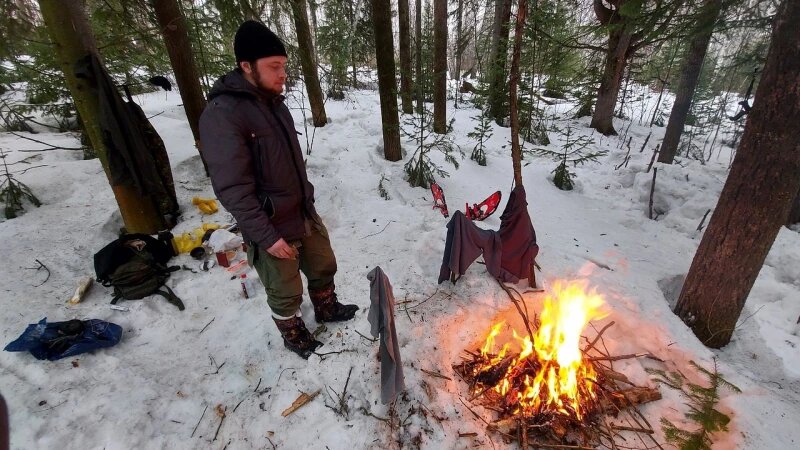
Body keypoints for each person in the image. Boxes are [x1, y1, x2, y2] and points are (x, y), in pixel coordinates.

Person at [199, 21, 358, 359]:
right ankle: (294, 334)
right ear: (246, 66)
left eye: (283, 65)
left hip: (301, 211)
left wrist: (308, 199)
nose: (282, 73)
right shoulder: (223, 114)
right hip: (270, 225)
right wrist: (266, 236)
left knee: (322, 265)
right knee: (285, 288)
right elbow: (233, 188)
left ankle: (327, 309)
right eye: (274, 67)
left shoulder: (274, 103)